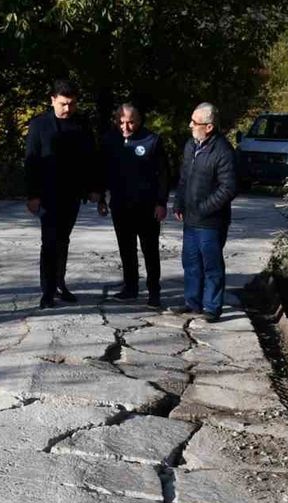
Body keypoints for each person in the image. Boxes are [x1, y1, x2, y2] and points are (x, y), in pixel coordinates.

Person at [24, 79, 102, 309]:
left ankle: (59, 283)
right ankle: (47, 290)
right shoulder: (39, 125)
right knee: (49, 242)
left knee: (63, 240)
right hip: (47, 194)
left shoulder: (81, 125)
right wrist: (32, 194)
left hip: (72, 194)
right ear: (52, 100)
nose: (68, 109)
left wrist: (94, 188)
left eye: (72, 104)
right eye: (63, 104)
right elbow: (31, 161)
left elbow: (91, 158)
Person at [98, 103, 169, 309]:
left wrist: (161, 202)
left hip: (147, 207)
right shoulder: (109, 140)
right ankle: (130, 288)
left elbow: (164, 174)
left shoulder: (152, 140)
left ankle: (154, 292)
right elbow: (103, 172)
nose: (125, 126)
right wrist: (102, 198)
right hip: (120, 205)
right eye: (121, 122)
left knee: (150, 250)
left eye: (130, 122)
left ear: (139, 120)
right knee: (126, 249)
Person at [172, 102, 237, 322]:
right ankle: (193, 302)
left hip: (211, 222)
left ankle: (212, 307)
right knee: (190, 263)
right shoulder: (191, 146)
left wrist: (204, 208)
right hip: (190, 220)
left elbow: (228, 188)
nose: (190, 125)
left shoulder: (223, 151)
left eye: (195, 122)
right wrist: (178, 202)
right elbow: (184, 178)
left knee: (212, 265)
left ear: (209, 127)